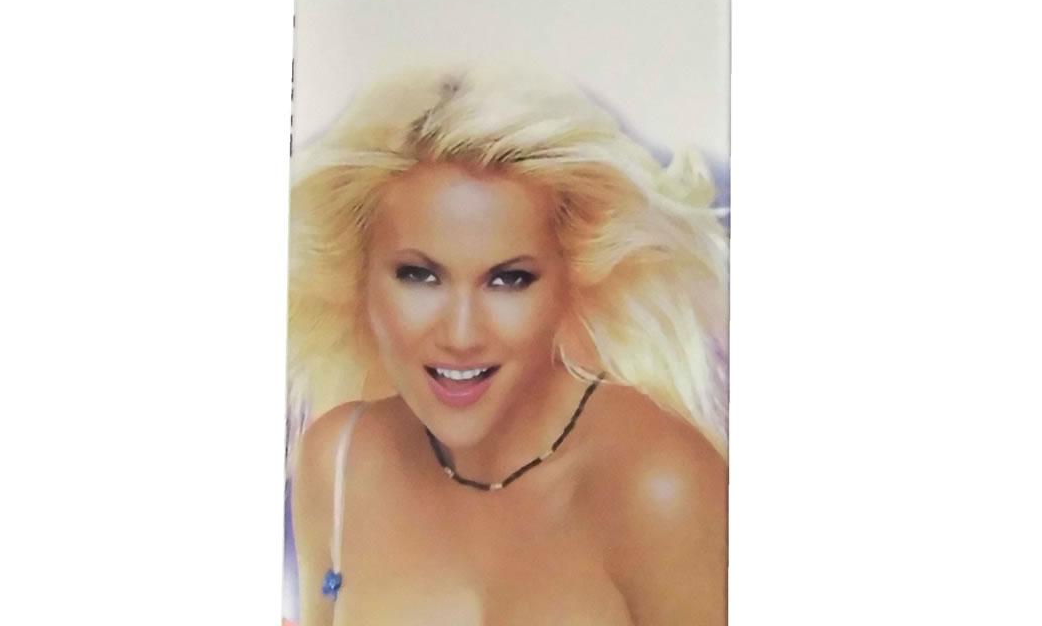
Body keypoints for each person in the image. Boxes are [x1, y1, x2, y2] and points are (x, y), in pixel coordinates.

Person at [287, 64, 728, 626]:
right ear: (358, 277)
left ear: (571, 281)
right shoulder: (339, 461)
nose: (461, 335)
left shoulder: (660, 483)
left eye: (509, 279)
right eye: (419, 275)